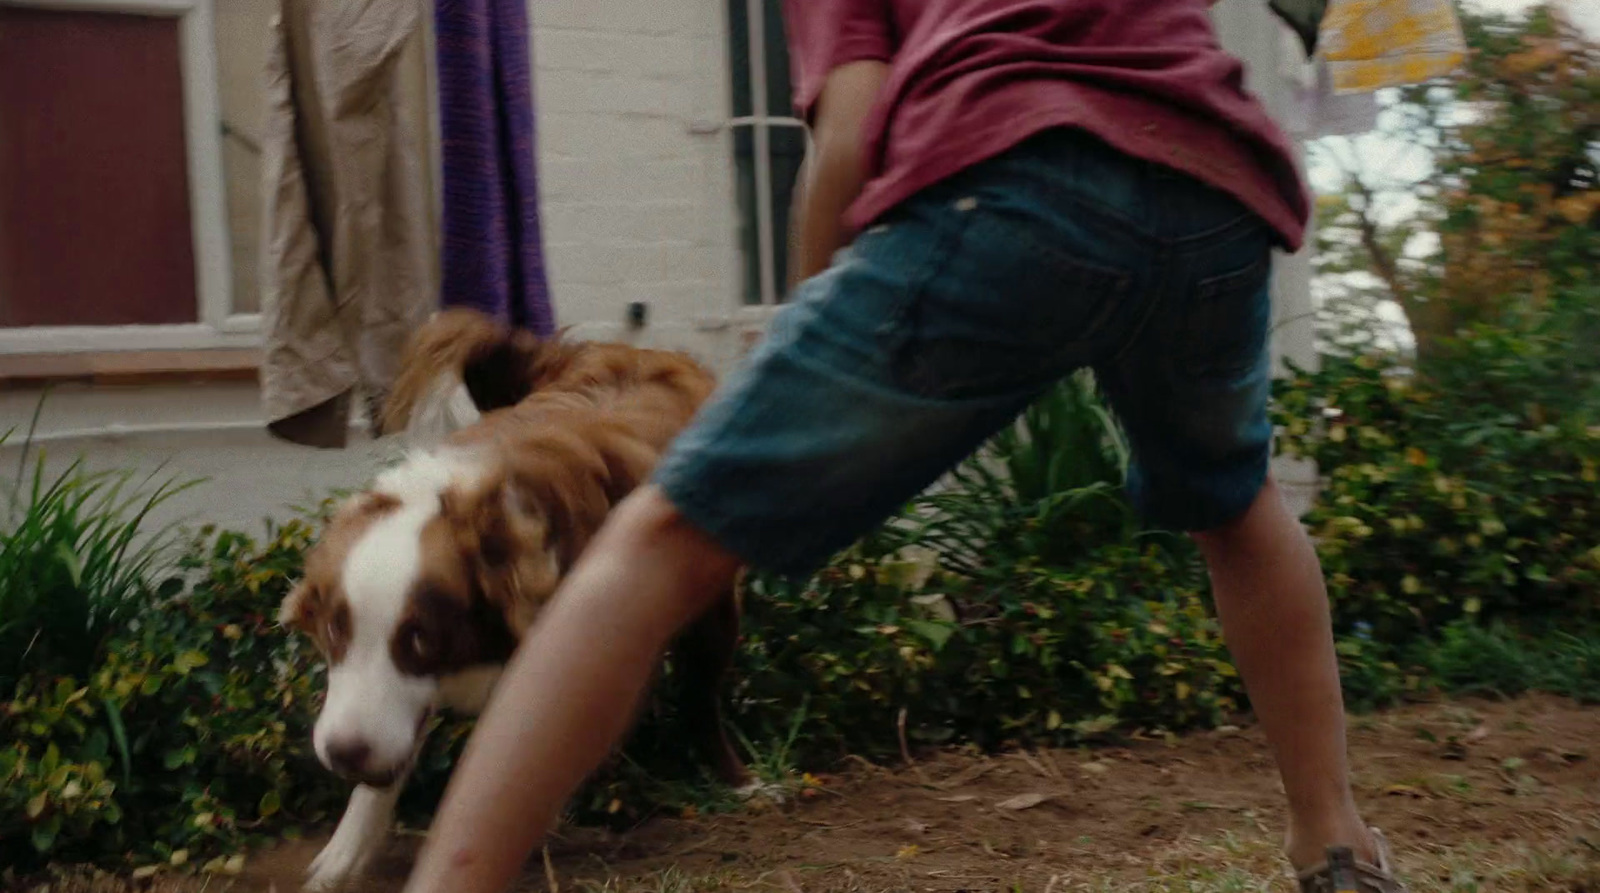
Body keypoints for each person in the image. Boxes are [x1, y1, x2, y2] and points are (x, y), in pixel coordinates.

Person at [400, 1, 1407, 891]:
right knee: (1235, 504)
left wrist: (802, 320)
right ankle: (1335, 843)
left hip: (1016, 172)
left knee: (660, 535)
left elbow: (848, 130)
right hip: (1214, 189)